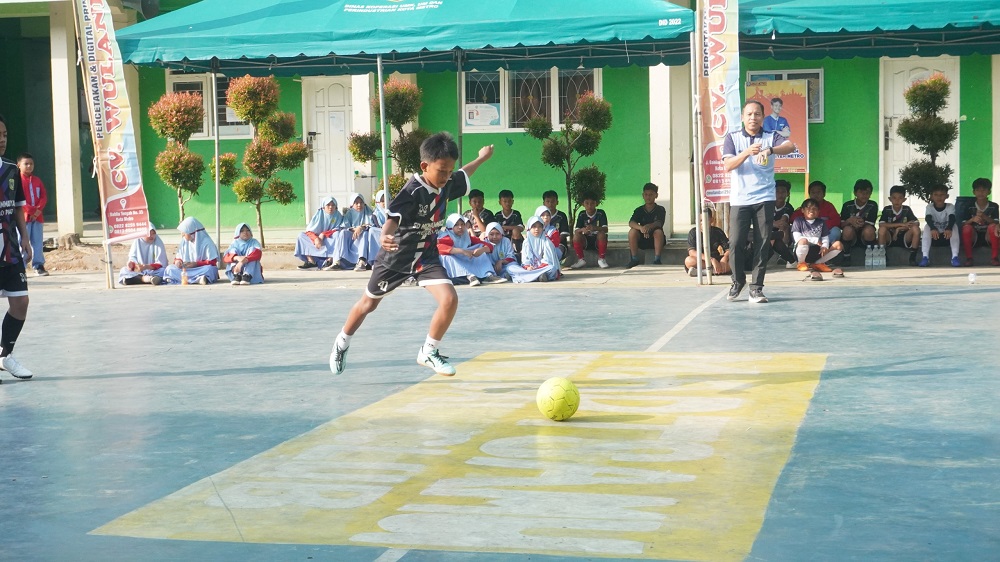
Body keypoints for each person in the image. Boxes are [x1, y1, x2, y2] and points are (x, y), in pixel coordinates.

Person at [330, 132, 494, 377]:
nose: (446, 176)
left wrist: (481, 158)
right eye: (441, 171)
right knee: (368, 304)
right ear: (424, 166)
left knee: (449, 299)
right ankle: (342, 342)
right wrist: (384, 236)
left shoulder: (447, 181)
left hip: (426, 257)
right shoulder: (411, 191)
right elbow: (392, 219)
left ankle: (428, 351)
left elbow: (464, 173)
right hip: (396, 259)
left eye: (449, 171)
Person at [722, 100, 795, 303]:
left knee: (762, 243)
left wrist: (770, 150)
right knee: (736, 242)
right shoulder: (733, 138)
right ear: (743, 117)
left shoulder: (771, 137)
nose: (753, 118)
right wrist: (746, 153)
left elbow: (790, 145)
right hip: (740, 199)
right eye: (749, 114)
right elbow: (728, 165)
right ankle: (737, 281)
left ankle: (756, 287)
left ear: (763, 117)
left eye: (757, 114)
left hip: (765, 198)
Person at [0, 114, 35, 381]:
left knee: (20, 302)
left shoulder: (12, 170)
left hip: (10, 249)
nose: (2, 140)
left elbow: (19, 207)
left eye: (4, 135)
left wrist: (24, 237)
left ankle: (4, 355)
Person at [437, 213, 505, 286]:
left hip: (466, 258)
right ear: (450, 226)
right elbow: (440, 248)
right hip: (456, 262)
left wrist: (482, 250)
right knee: (445, 257)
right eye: (456, 225)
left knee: (480, 247)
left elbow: (489, 246)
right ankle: (469, 276)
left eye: (462, 224)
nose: (460, 227)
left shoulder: (466, 237)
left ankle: (487, 276)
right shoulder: (445, 237)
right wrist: (463, 251)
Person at [792, 198, 843, 275]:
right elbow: (797, 238)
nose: (811, 210)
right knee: (803, 240)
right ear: (802, 210)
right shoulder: (798, 221)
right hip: (802, 251)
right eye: (808, 208)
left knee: (838, 245)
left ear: (819, 212)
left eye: (815, 208)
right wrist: (814, 240)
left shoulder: (821, 222)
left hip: (818, 251)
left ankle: (818, 263)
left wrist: (825, 246)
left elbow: (825, 237)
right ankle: (801, 263)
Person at [163, 217, 220, 284]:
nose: (183, 234)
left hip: (200, 269)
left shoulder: (207, 242)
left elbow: (213, 262)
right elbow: (178, 257)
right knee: (169, 269)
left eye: (185, 232)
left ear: (192, 232)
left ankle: (197, 279)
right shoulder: (184, 241)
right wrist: (178, 261)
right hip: (186, 269)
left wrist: (196, 264)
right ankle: (198, 279)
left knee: (209, 269)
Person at [17, 152, 47, 276]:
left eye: (31, 164)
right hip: (24, 218)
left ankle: (38, 265)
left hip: (38, 218)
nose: (29, 166)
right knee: (22, 241)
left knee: (38, 242)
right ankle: (21, 266)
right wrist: (30, 211)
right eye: (26, 164)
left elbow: (44, 196)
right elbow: (18, 200)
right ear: (18, 165)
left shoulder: (37, 180)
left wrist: (38, 210)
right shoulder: (17, 181)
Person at [507, 215, 561, 283]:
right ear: (529, 228)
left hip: (543, 268)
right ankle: (538, 277)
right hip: (530, 269)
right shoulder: (526, 242)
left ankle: (525, 276)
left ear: (543, 228)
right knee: (511, 267)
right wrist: (528, 267)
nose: (537, 229)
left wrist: (537, 269)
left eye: (539, 227)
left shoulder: (547, 242)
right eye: (534, 226)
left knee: (552, 268)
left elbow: (548, 261)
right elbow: (525, 260)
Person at [294, 196, 342, 270]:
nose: (330, 207)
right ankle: (311, 262)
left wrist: (323, 234)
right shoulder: (318, 215)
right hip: (317, 241)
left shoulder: (338, 215)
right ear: (323, 207)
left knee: (338, 235)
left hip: (329, 239)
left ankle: (329, 261)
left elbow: (338, 228)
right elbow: (309, 230)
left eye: (333, 205)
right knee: (301, 236)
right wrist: (316, 238)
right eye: (328, 205)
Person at [625, 182, 666, 268]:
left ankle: (657, 259)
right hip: (642, 238)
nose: (648, 197)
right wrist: (641, 228)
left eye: (651, 194)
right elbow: (631, 222)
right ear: (643, 195)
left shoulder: (660, 209)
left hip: (655, 238)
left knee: (658, 232)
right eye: (646, 194)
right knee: (632, 232)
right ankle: (634, 259)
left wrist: (649, 227)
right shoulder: (639, 210)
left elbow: (659, 222)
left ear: (656, 195)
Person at [918, 184, 961, 267]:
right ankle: (925, 257)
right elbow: (928, 218)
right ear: (931, 196)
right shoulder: (929, 207)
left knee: (954, 226)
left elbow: (952, 218)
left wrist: (949, 228)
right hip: (935, 236)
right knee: (927, 227)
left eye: (942, 195)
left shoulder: (950, 206)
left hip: (947, 236)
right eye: (936, 195)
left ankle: (955, 257)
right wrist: (933, 228)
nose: (939, 197)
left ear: (947, 196)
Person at [960, 177, 1000, 266]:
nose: (981, 193)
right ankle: (969, 258)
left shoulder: (994, 206)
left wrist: (984, 217)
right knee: (966, 228)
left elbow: (996, 222)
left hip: (988, 236)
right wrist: (972, 219)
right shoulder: (968, 206)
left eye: (984, 190)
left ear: (989, 192)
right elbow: (963, 223)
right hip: (974, 236)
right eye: (978, 190)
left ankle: (994, 258)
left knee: (993, 227)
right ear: (974, 192)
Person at [334, 192, 378, 272]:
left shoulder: (368, 213)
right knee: (343, 233)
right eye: (356, 203)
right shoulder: (349, 213)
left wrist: (361, 227)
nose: (359, 205)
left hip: (363, 239)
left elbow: (372, 225)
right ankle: (338, 261)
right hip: (352, 237)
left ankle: (362, 261)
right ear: (352, 204)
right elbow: (344, 226)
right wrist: (355, 229)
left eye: (361, 202)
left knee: (365, 233)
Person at [877, 185, 921, 264]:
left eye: (900, 198)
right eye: (894, 198)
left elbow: (916, 223)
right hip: (889, 237)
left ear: (904, 199)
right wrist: (901, 224)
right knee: (882, 230)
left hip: (904, 237)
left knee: (916, 229)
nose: (897, 200)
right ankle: (883, 255)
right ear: (890, 199)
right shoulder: (887, 209)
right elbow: (881, 224)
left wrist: (899, 229)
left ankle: (912, 257)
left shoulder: (906, 209)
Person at [791, 180, 842, 246]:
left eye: (818, 192)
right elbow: (793, 218)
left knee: (836, 231)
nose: (815, 195)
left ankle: (825, 248)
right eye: (813, 192)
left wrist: (820, 225)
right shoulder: (805, 205)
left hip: (824, 236)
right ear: (809, 194)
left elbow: (837, 220)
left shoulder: (829, 206)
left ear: (824, 194)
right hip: (808, 236)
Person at [838, 178, 879, 258]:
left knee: (869, 230)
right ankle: (846, 255)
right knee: (847, 230)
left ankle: (870, 254)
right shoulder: (847, 205)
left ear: (871, 193)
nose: (864, 195)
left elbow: (871, 222)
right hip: (851, 233)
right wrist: (850, 221)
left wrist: (858, 223)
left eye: (867, 193)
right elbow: (842, 224)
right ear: (855, 193)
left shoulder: (872, 205)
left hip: (865, 232)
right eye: (861, 192)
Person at [684, 207, 730, 276]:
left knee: (734, 261)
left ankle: (706, 272)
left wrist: (725, 258)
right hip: (702, 260)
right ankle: (712, 271)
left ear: (712, 220)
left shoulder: (717, 231)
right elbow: (692, 252)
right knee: (689, 261)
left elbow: (729, 249)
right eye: (700, 220)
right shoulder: (693, 232)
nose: (703, 223)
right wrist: (710, 260)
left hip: (716, 259)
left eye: (706, 220)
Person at [570, 196, 610, 269]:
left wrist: (594, 228)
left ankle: (601, 259)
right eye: (587, 203)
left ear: (596, 204)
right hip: (586, 241)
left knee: (601, 234)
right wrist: (583, 230)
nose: (589, 206)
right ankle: (581, 260)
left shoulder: (601, 213)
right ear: (583, 204)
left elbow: (605, 229)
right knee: (576, 235)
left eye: (592, 203)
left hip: (597, 240)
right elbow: (576, 230)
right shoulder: (582, 214)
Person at [771, 179, 798, 267]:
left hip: (780, 232)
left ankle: (782, 253)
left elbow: (784, 218)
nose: (780, 194)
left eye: (783, 192)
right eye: (777, 191)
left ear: (788, 193)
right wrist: (773, 224)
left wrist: (779, 223)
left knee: (784, 225)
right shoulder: (767, 205)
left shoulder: (788, 207)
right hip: (768, 230)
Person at [542, 190, 571, 259]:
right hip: (543, 243)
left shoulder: (561, 216)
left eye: (553, 201)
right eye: (548, 201)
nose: (550, 204)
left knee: (556, 253)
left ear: (557, 202)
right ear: (544, 203)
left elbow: (564, 233)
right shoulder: (540, 216)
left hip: (559, 244)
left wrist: (554, 242)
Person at [494, 189, 524, 253]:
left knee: (515, 231)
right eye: (504, 201)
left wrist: (505, 227)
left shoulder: (516, 214)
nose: (507, 203)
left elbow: (521, 228)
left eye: (509, 201)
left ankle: (517, 252)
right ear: (500, 202)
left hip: (514, 238)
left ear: (512, 201)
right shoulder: (497, 215)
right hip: (502, 239)